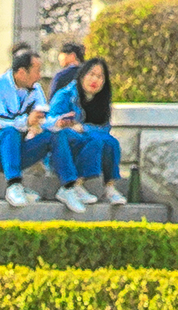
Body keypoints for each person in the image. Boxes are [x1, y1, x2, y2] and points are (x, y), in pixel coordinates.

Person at [0, 45, 84, 209]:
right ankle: (14, 185)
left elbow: (43, 117)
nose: (39, 76)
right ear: (21, 72)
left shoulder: (35, 90)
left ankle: (69, 187)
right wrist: (27, 121)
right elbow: (1, 121)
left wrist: (57, 123)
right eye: (37, 71)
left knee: (55, 135)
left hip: (17, 153)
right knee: (10, 131)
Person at [48, 49, 123, 206]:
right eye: (91, 74)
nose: (94, 80)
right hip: (61, 149)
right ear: (82, 75)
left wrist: (83, 128)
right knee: (95, 140)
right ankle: (76, 185)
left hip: (86, 140)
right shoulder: (65, 95)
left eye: (100, 76)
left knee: (110, 142)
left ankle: (109, 187)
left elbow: (104, 129)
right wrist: (75, 127)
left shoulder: (101, 101)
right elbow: (53, 125)